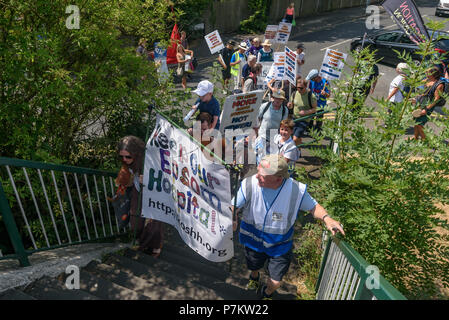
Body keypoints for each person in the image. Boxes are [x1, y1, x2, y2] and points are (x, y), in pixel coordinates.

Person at [232, 154, 345, 300]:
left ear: (278, 179)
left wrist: (327, 218)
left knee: (276, 281)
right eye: (258, 172)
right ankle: (254, 277)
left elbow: (313, 207)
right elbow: (234, 205)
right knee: (253, 265)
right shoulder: (250, 183)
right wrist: (232, 215)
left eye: (263, 176)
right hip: (253, 240)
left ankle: (267, 293)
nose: (257, 177)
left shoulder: (295, 190)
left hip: (280, 245)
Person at [117, 136, 164, 257]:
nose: (125, 159)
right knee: (135, 221)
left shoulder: (150, 160)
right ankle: (143, 242)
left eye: (128, 156)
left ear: (137, 154)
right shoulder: (128, 164)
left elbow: (164, 178)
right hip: (137, 192)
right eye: (121, 156)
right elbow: (128, 179)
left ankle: (156, 247)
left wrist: (149, 180)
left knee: (153, 224)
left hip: (152, 194)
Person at [255, 89, 289, 163]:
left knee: (271, 161)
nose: (278, 100)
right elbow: (257, 118)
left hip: (274, 137)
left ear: (283, 100)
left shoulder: (285, 110)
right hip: (262, 135)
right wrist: (256, 133)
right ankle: (260, 173)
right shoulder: (265, 106)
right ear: (273, 97)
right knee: (261, 160)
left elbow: (283, 125)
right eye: (276, 97)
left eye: (280, 99)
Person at [413, 66, 445, 140]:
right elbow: (419, 86)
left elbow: (436, 99)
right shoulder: (427, 80)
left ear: (433, 74)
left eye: (427, 72)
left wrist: (426, 109)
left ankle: (425, 139)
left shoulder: (439, 85)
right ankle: (415, 137)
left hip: (428, 105)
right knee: (416, 120)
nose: (425, 73)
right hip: (421, 102)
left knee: (420, 123)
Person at [287, 78, 318, 146]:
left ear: (305, 86)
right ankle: (298, 152)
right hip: (295, 119)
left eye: (301, 88)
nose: (299, 89)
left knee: (295, 138)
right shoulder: (294, 93)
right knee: (296, 137)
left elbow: (315, 109)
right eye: (298, 87)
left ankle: (294, 152)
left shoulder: (311, 96)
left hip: (304, 120)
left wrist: (306, 112)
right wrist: (290, 105)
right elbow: (292, 105)